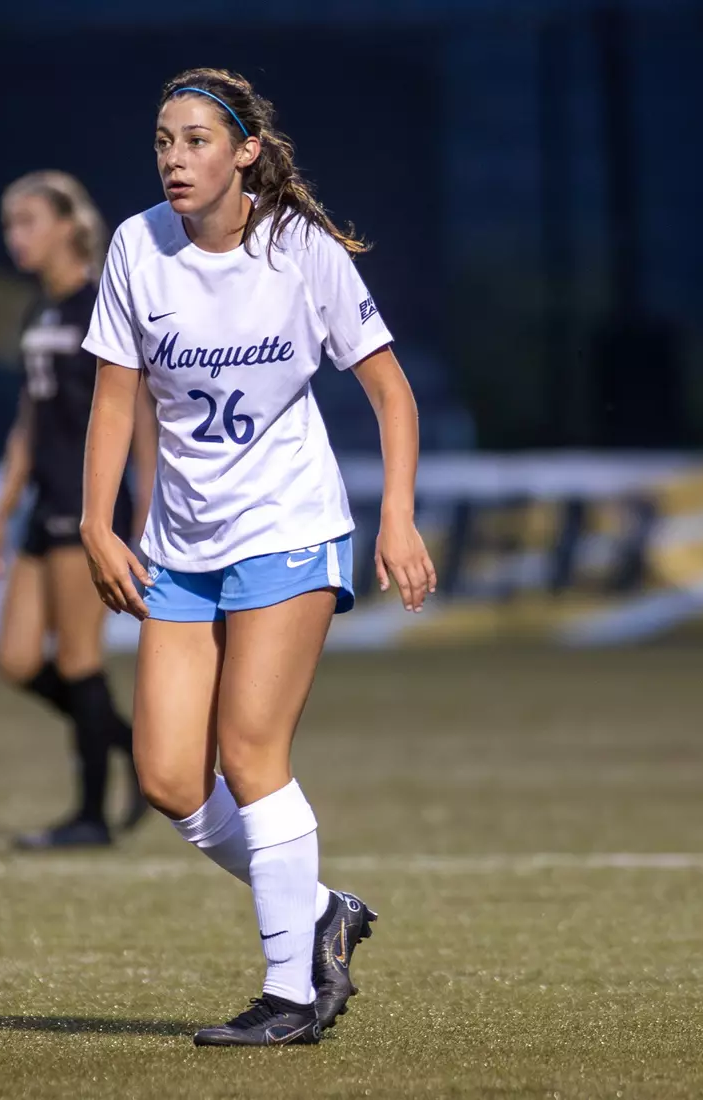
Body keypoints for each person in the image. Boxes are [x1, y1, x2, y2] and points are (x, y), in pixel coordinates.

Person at [79, 69, 437, 1046]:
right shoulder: (135, 246)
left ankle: (291, 992)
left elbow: (392, 395)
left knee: (248, 752)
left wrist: (395, 516)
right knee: (163, 776)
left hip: (286, 529)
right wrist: (94, 522)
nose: (173, 158)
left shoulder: (299, 249)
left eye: (195, 140)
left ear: (243, 151)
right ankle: (317, 907)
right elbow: (114, 398)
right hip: (179, 544)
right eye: (162, 140)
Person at [0, 171, 153, 849]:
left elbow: (138, 414)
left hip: (90, 507)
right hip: (44, 502)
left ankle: (88, 818)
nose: (14, 236)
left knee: (80, 659)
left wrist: (137, 512)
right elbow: (28, 422)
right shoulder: (38, 313)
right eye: (9, 224)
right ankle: (128, 744)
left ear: (68, 227)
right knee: (18, 661)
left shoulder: (98, 304)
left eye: (27, 221)